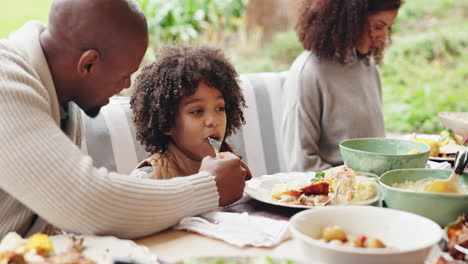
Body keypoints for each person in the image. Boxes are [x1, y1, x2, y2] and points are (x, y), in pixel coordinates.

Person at [0, 0, 246, 239]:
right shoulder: (6, 83)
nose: (126, 86)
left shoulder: (61, 100)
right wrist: (209, 187)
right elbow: (85, 202)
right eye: (124, 75)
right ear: (88, 64)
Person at [281, 0, 402, 172]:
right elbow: (301, 164)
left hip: (376, 187)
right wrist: (357, 185)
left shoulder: (367, 67)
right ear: (350, 20)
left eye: (387, 28)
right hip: (335, 193)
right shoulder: (309, 72)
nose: (383, 37)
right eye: (377, 27)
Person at [129, 45, 253, 180]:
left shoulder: (235, 168)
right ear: (167, 124)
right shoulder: (148, 179)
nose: (213, 120)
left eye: (220, 108)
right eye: (197, 111)